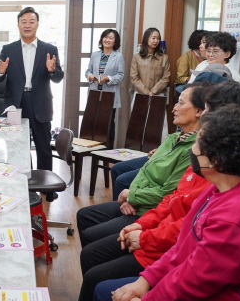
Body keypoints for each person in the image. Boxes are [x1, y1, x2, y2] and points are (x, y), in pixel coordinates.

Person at [70, 82, 240, 301]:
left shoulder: (237, 211)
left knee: (104, 286)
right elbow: (183, 244)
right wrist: (146, 279)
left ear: (218, 154)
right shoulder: (217, 187)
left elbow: (199, 277)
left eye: (200, 141)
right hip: (179, 272)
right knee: (103, 289)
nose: (193, 147)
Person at [76, 84, 207, 247]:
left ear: (199, 111)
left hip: (149, 210)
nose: (174, 108)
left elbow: (169, 192)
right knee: (84, 215)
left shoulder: (194, 150)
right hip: (139, 201)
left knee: (91, 241)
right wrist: (129, 197)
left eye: (180, 103)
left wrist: (131, 196)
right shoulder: (174, 137)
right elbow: (145, 171)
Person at [0, 6, 64, 171]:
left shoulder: (49, 49)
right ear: (18, 25)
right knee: (16, 147)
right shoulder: (8, 49)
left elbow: (58, 78)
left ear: (37, 24)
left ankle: (46, 183)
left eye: (31, 21)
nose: (27, 25)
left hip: (40, 102)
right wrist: (0, 71)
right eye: (23, 22)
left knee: (43, 147)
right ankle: (23, 180)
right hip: (14, 104)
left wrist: (51, 70)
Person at [85, 29, 125, 148]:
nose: (107, 40)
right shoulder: (95, 55)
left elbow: (121, 75)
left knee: (108, 124)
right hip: (94, 94)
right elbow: (88, 71)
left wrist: (108, 78)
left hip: (109, 95)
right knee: (93, 122)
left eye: (111, 38)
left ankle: (107, 149)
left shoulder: (118, 56)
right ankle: (93, 149)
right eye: (105, 37)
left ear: (115, 41)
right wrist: (90, 76)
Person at [130, 27, 170, 96]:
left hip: (158, 94)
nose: (156, 41)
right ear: (146, 39)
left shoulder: (164, 58)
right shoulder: (136, 57)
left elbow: (166, 78)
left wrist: (153, 91)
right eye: (153, 38)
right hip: (140, 94)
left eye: (158, 38)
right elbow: (134, 78)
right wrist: (147, 92)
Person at [175, 30, 205, 95]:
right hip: (190, 90)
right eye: (203, 42)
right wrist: (192, 79)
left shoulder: (207, 56)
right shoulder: (186, 57)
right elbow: (180, 78)